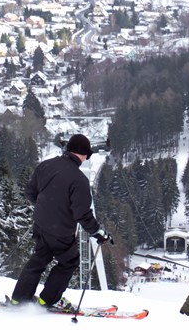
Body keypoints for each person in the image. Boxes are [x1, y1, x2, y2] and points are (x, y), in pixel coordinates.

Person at [9, 134, 111, 312]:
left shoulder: (46, 165)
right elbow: (83, 214)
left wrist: (46, 207)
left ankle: (20, 299)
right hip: (60, 231)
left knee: (39, 260)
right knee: (68, 262)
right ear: (84, 154)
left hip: (40, 224)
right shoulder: (79, 180)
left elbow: (30, 192)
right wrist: (98, 233)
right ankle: (48, 301)